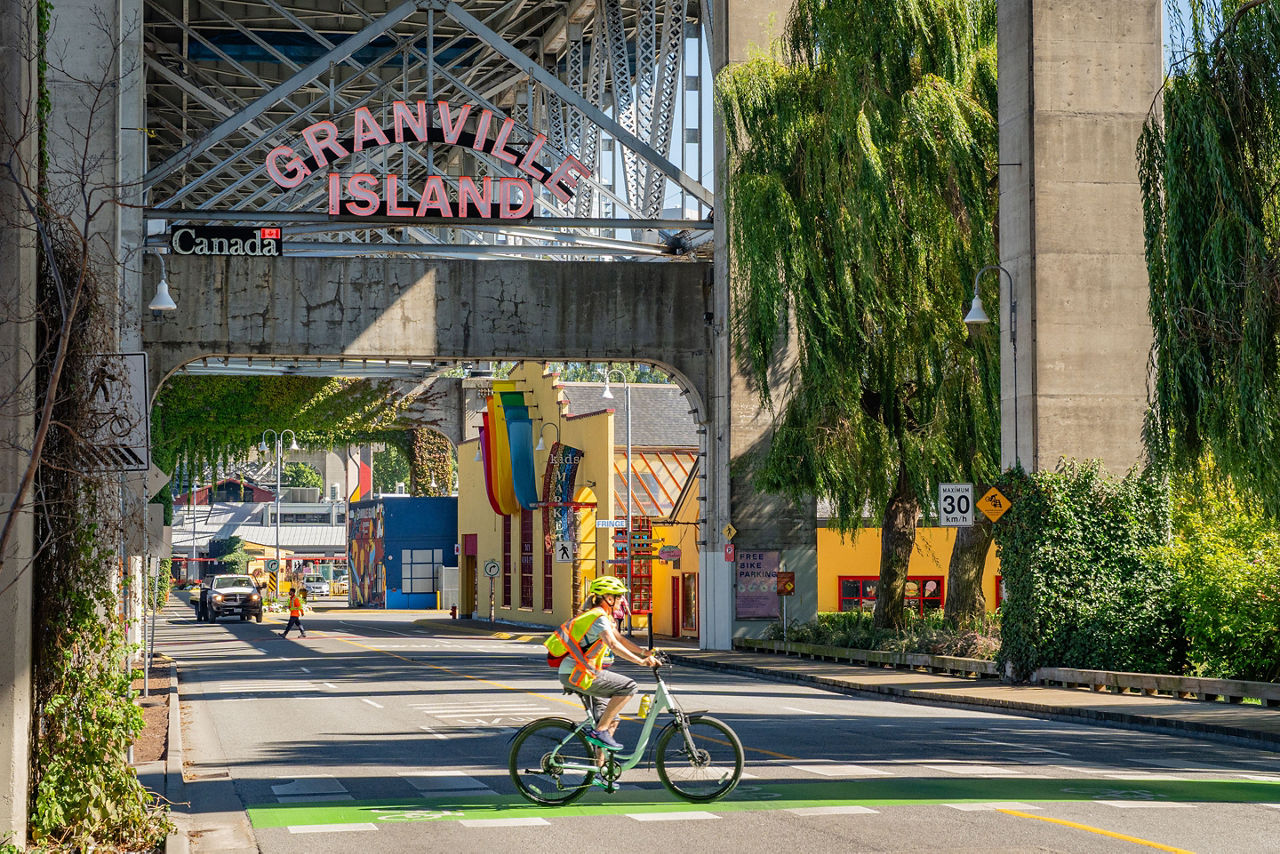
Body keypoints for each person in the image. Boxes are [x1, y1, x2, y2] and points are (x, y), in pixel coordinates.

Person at [544, 576, 659, 752]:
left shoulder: (603, 617)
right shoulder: (598, 617)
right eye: (619, 596)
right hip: (578, 673)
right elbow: (612, 644)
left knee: (611, 720)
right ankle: (600, 731)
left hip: (580, 672)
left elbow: (619, 639)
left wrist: (644, 652)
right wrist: (640, 661)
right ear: (608, 598)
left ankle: (599, 773)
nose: (622, 600)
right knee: (629, 686)